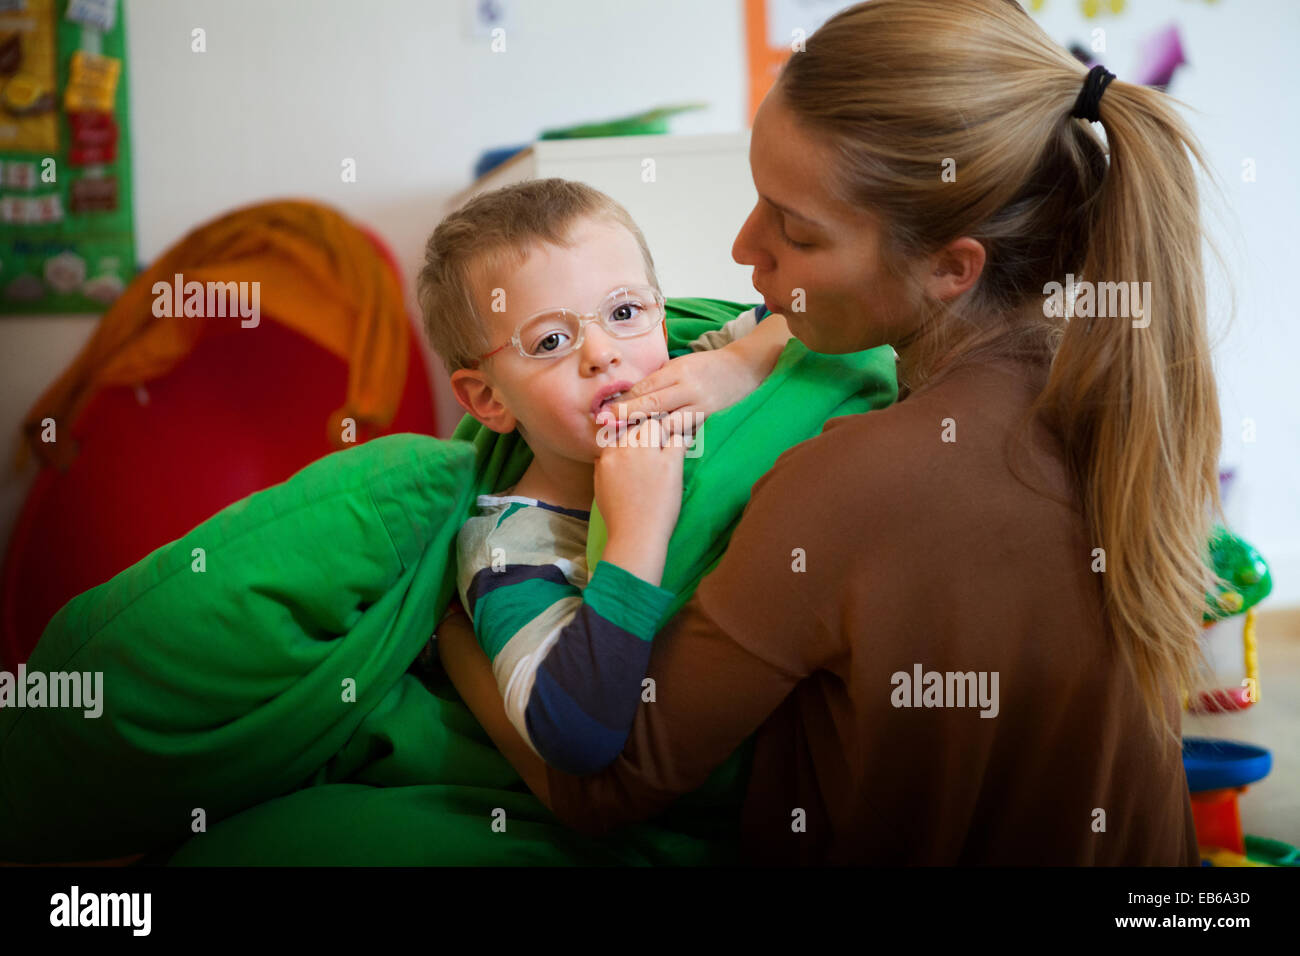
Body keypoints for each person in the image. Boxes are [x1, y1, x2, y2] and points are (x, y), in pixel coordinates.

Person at [437, 0, 1221, 865]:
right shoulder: (1133, 393)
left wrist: (442, 622)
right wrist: (753, 352)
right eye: (757, 198)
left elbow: (607, 784)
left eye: (795, 230)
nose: (744, 248)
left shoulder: (842, 483)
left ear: (951, 267)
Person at [418, 179, 792, 774]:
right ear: (488, 399)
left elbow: (819, 313)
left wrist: (738, 365)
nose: (602, 352)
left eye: (624, 312)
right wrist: (635, 536)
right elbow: (574, 735)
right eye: (551, 340)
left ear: (662, 323)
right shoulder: (509, 551)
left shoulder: (696, 371)